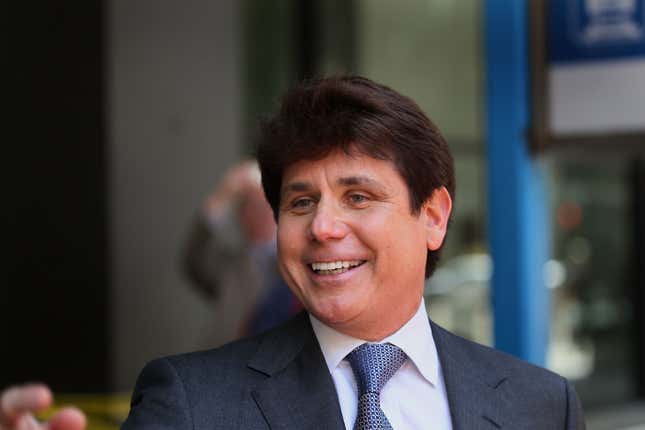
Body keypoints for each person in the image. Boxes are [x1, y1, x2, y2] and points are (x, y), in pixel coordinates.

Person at [3, 76, 585, 429]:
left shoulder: (542, 405)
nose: (323, 227)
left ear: (432, 216)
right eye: (301, 202)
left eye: (358, 196)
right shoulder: (193, 404)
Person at [182, 160, 301, 341]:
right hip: (229, 359)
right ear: (240, 214)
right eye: (252, 205)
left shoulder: (297, 258)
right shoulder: (228, 266)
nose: (260, 213)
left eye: (266, 204)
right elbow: (194, 259)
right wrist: (223, 195)